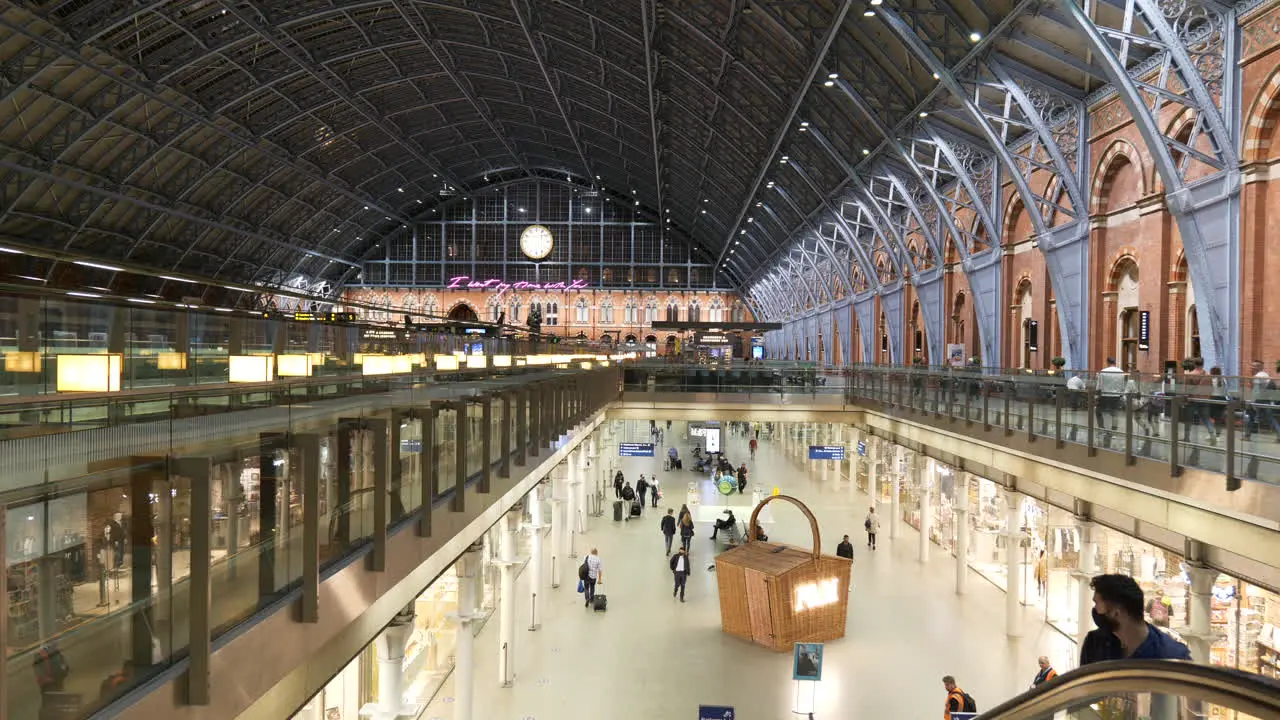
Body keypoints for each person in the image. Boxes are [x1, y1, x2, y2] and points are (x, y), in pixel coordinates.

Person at [1080, 573, 1191, 665]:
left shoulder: (1172, 657)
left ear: (1116, 613)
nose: (1095, 610)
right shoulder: (1095, 643)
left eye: (1097, 603)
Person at [1096, 357, 1126, 431]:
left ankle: (1101, 428)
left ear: (1107, 362)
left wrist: (1097, 395)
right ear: (1115, 362)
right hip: (1116, 396)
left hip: (1105, 395)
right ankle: (1114, 431)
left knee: (1098, 412)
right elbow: (1122, 385)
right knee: (1115, 414)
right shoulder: (1121, 371)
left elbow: (1099, 385)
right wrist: (1121, 394)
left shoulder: (1103, 371)